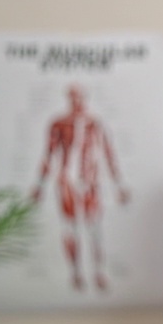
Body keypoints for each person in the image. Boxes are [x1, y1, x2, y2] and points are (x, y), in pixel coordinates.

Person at [30, 83, 130, 292]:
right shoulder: (59, 124)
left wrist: (118, 186)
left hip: (90, 183)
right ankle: (75, 273)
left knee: (94, 229)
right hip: (67, 182)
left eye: (80, 98)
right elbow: (49, 155)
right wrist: (40, 185)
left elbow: (108, 154)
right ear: (69, 100)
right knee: (71, 229)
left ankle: (98, 272)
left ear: (85, 99)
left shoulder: (95, 124)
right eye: (73, 98)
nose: (77, 103)